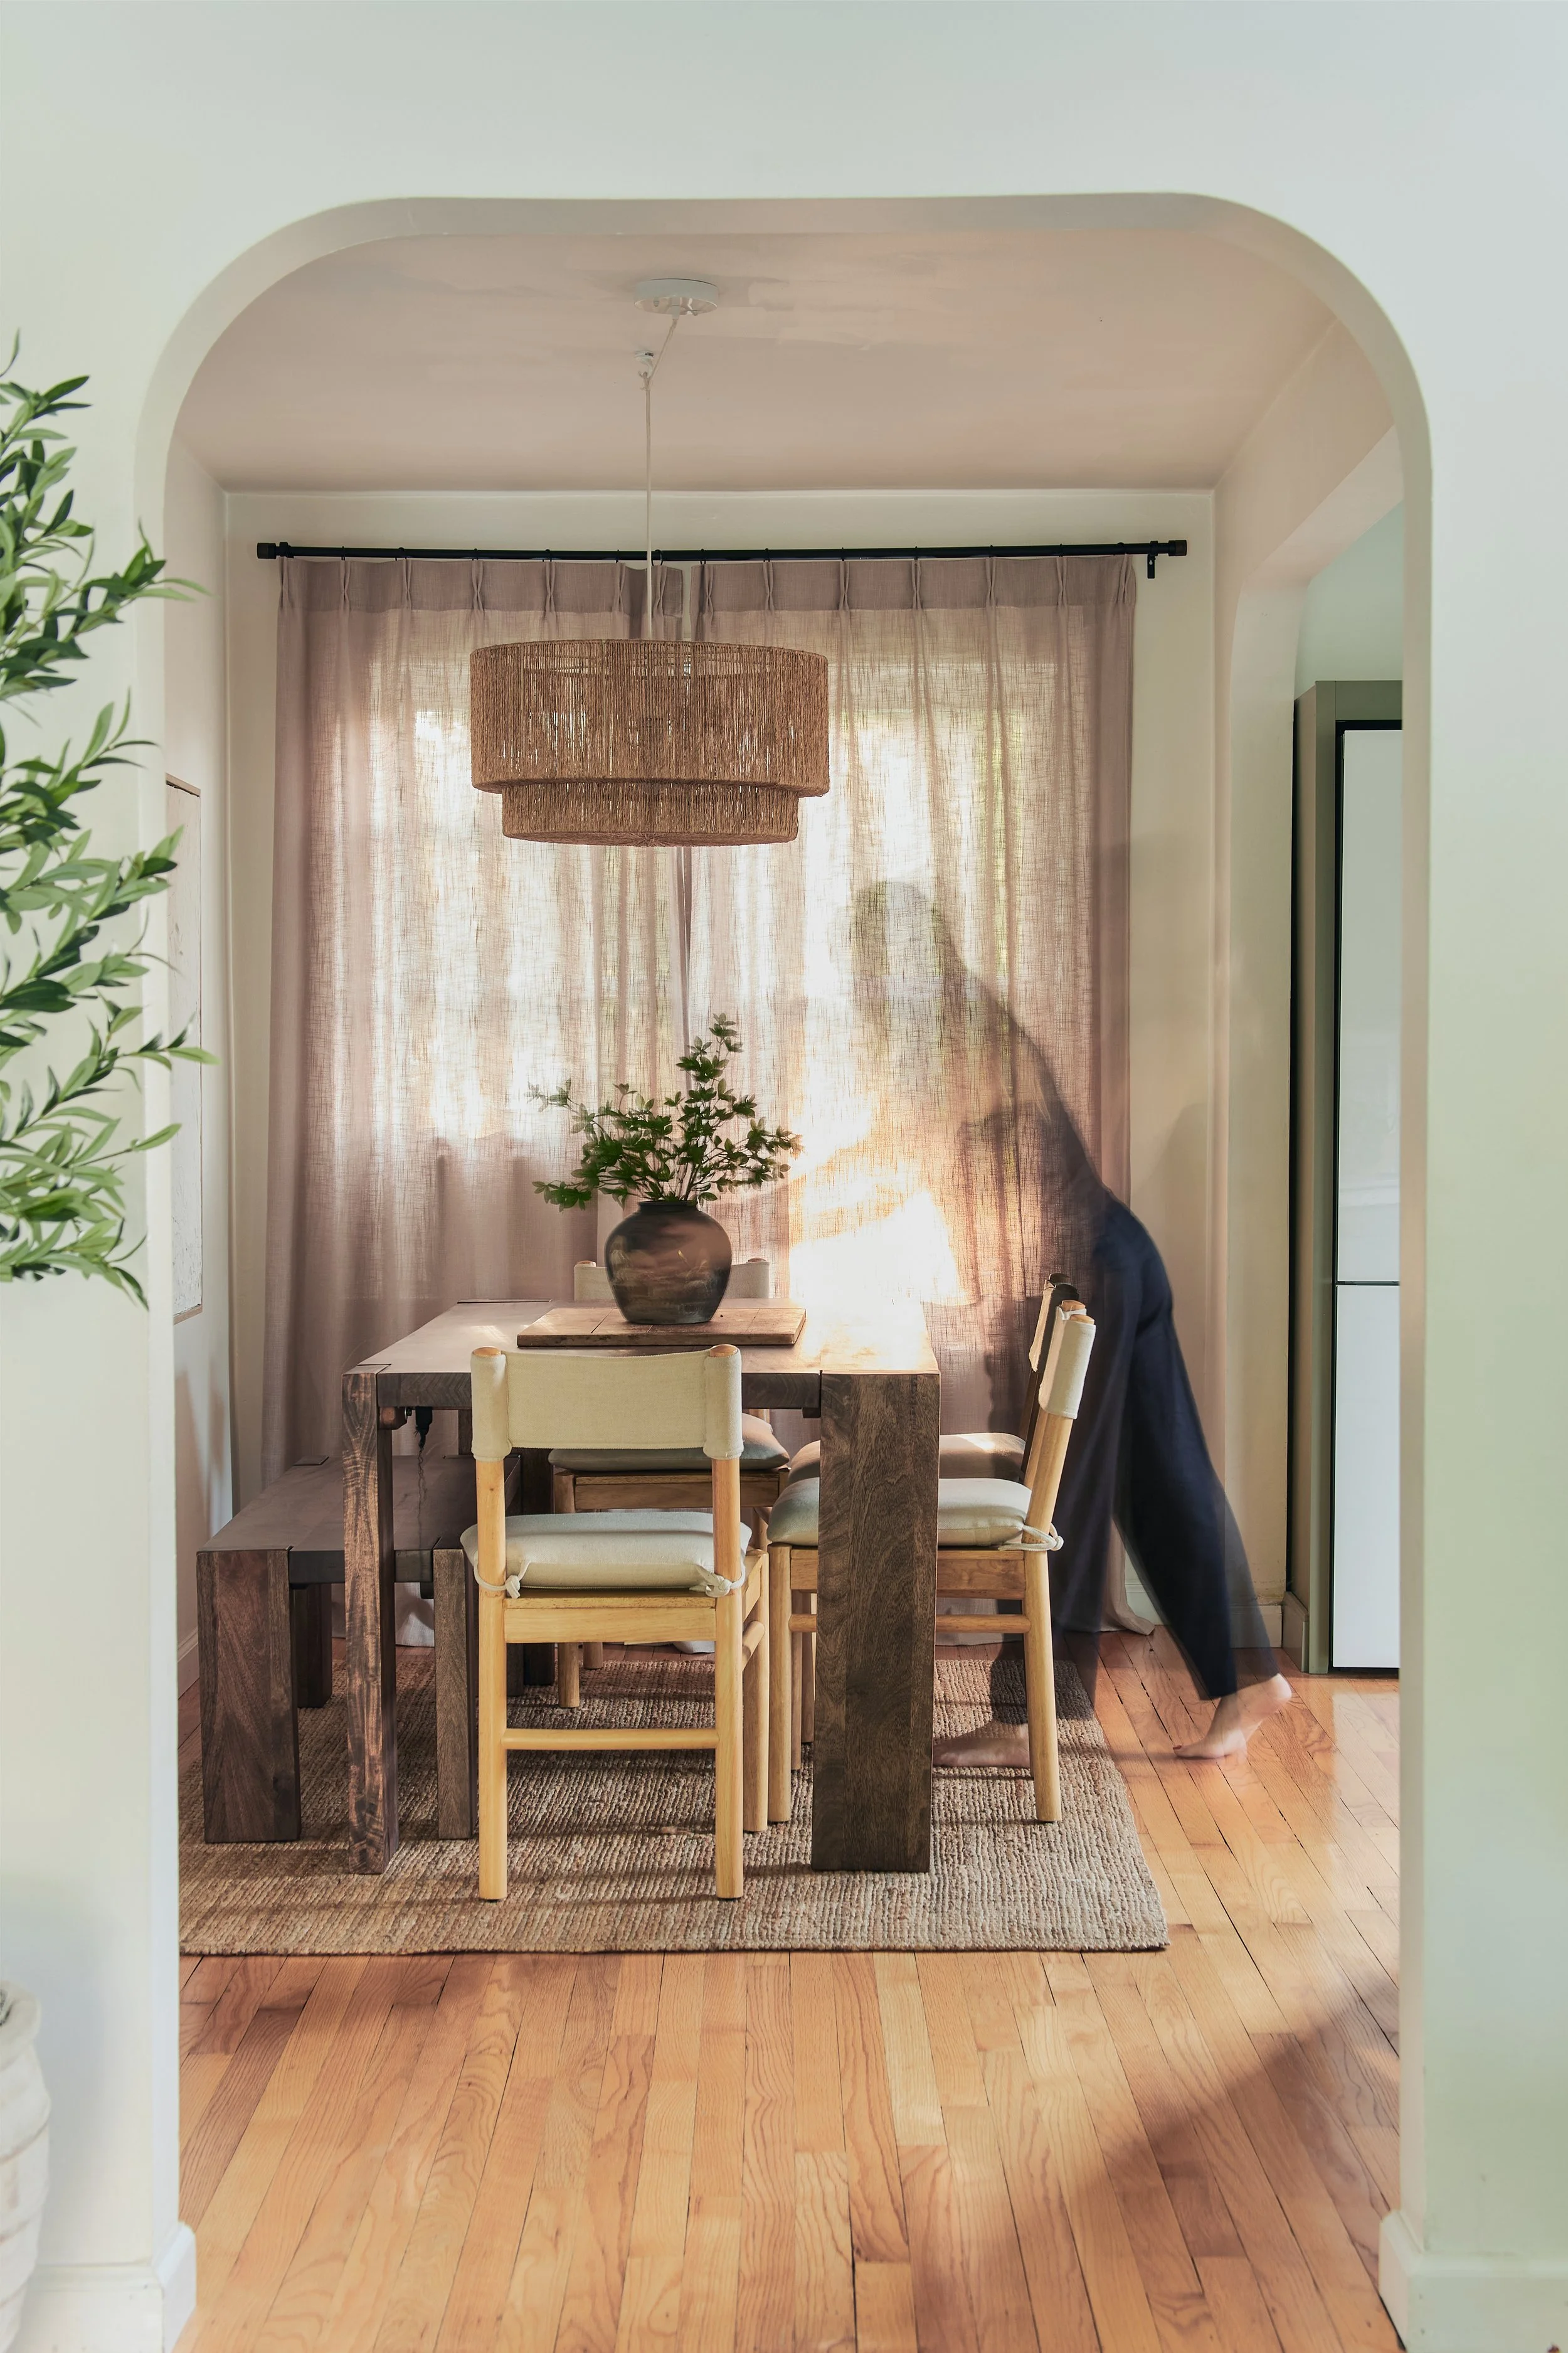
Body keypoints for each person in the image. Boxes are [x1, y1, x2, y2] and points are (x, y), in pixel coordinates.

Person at [934, 1192, 1293, 1766]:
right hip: (1118, 1253)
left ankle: (1024, 1721)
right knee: (1159, 1477)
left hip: (1109, 1264)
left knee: (1062, 1493)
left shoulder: (982, 1108)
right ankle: (1249, 1678)